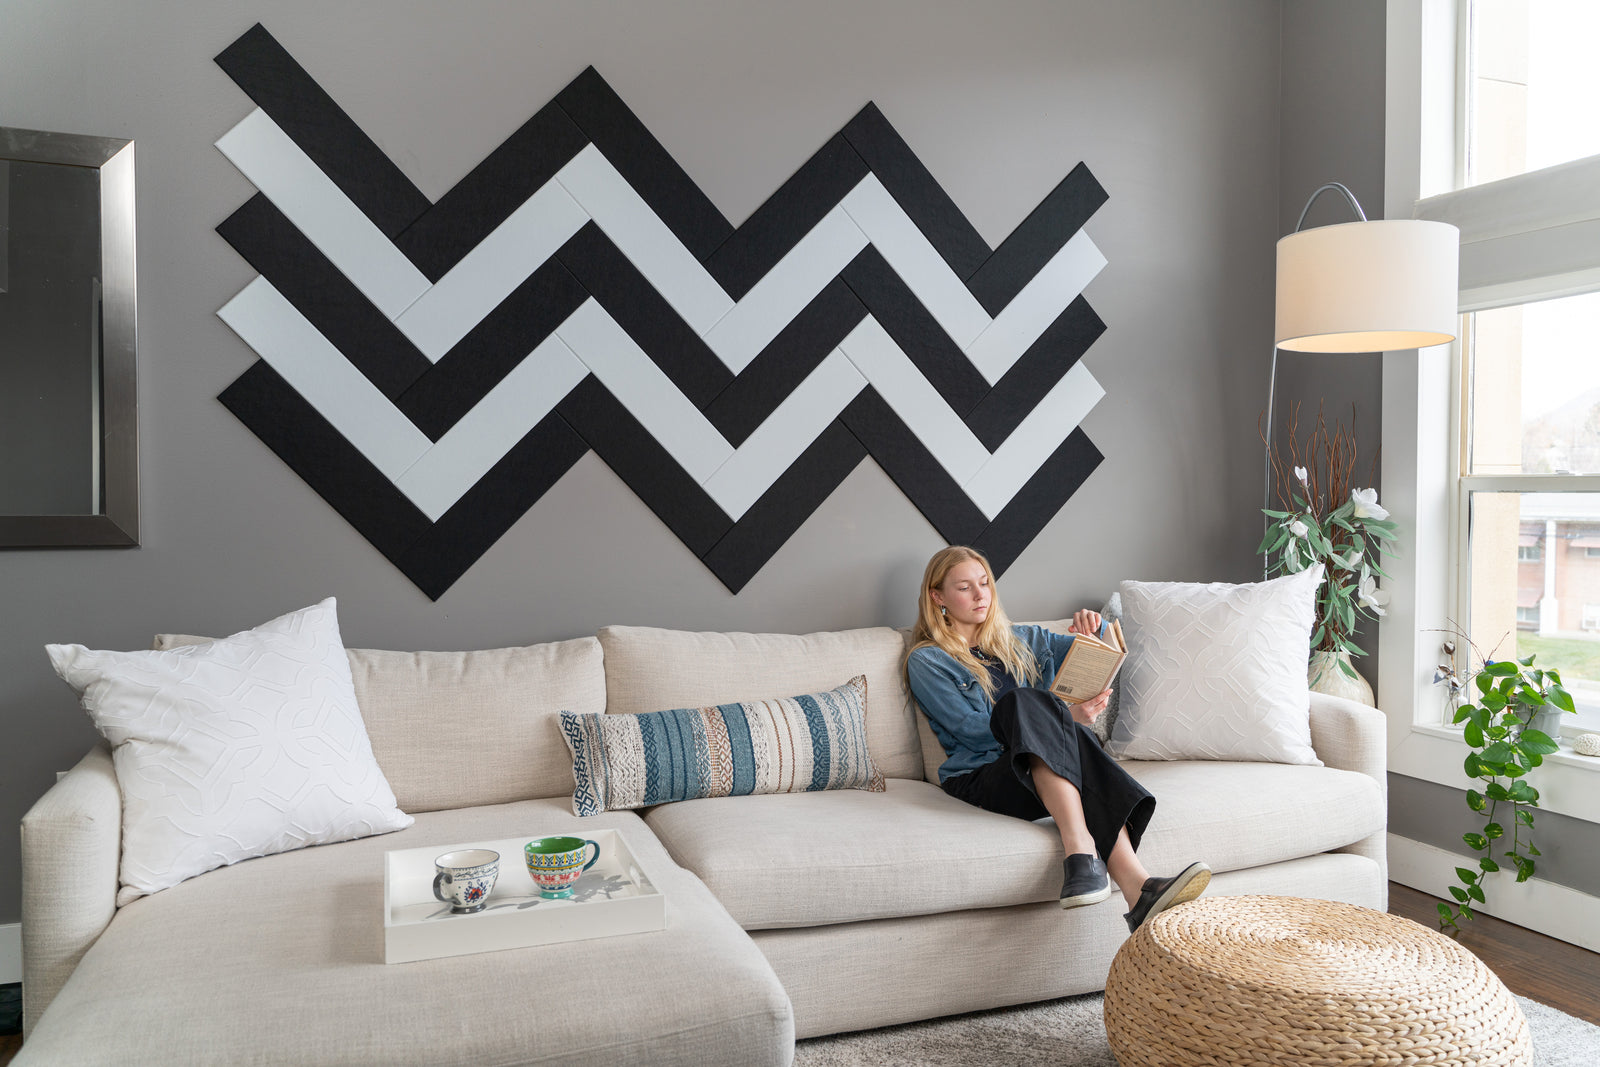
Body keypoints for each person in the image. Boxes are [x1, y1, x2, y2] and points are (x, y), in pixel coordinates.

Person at [903, 545, 1210, 932]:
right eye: (965, 588)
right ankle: (1094, 859)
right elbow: (976, 733)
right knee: (1024, 704)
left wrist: (1094, 630)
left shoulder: (1025, 639)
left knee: (1054, 728)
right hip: (983, 776)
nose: (981, 595)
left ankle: (1131, 886)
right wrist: (1064, 718)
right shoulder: (927, 661)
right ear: (938, 597)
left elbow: (1094, 655)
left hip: (1044, 764)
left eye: (985, 584)